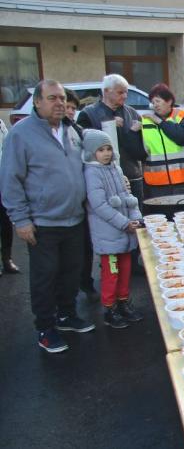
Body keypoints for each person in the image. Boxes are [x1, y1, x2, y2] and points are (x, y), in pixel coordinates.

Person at [0, 80, 95, 353]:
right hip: (42, 222)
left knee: (71, 272)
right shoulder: (21, 135)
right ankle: (45, 328)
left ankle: (66, 316)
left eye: (62, 98)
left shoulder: (71, 131)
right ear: (37, 102)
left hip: (74, 218)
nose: (60, 103)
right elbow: (10, 180)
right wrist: (20, 219)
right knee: (44, 278)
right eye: (52, 98)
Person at [81, 130, 143, 328]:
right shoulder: (91, 172)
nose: (106, 153)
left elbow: (128, 198)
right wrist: (124, 223)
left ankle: (123, 302)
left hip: (124, 234)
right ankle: (110, 308)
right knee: (111, 272)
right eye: (101, 150)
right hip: (110, 235)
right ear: (92, 153)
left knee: (126, 270)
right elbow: (99, 206)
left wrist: (136, 219)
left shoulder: (115, 169)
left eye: (108, 149)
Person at [76, 74, 146, 207]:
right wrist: (108, 126)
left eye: (126, 92)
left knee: (137, 219)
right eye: (120, 92)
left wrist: (132, 133)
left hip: (132, 176)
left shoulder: (132, 113)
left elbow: (140, 151)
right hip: (104, 179)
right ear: (107, 91)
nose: (125, 96)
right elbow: (88, 148)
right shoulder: (88, 114)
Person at [64, 87, 100, 300]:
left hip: (83, 202)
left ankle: (86, 283)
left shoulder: (77, 131)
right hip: (55, 210)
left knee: (85, 248)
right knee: (61, 260)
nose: (69, 111)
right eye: (66, 107)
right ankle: (63, 305)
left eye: (72, 108)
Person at [142, 83, 184, 198]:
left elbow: (181, 138)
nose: (155, 105)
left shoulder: (183, 116)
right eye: (153, 102)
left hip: (182, 181)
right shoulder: (146, 121)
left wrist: (160, 122)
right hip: (157, 183)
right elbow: (139, 150)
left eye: (158, 101)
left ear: (169, 101)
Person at [0, 117, 21, 276]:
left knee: (5, 222)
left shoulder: (0, 124)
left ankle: (6, 258)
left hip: (3, 180)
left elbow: (7, 148)